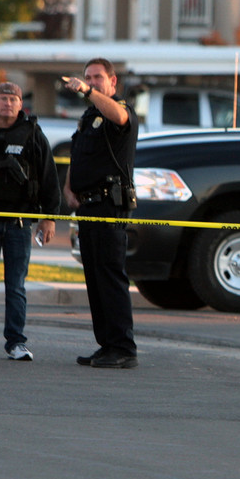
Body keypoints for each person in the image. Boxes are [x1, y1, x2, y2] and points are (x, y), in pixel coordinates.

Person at [0, 82, 60, 361]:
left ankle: (16, 342)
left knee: (16, 287)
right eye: (2, 98)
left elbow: (49, 177)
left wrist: (49, 218)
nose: (7, 103)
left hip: (19, 223)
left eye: (13, 99)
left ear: (20, 104)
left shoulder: (33, 134)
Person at [61, 58, 139, 369]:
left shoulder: (119, 109)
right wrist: (69, 187)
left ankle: (123, 347)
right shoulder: (89, 116)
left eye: (97, 77)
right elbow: (79, 154)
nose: (91, 82)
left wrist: (87, 91)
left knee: (109, 275)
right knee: (94, 278)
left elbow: (119, 116)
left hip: (109, 205)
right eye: (88, 77)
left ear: (112, 81)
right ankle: (107, 344)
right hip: (87, 205)